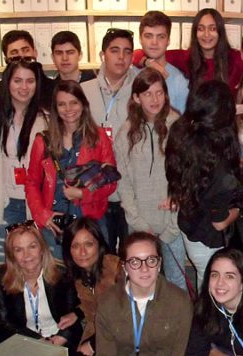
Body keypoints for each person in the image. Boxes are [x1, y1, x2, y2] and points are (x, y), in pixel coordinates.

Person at [25, 81, 117, 258]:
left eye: (74, 102)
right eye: (62, 104)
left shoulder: (98, 138)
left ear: (83, 104)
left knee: (95, 277)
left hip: (92, 220)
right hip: (56, 224)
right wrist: (42, 215)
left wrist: (83, 194)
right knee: (59, 279)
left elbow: (111, 183)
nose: (68, 109)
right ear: (55, 108)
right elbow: (32, 182)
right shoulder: (43, 141)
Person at [115, 67, 187, 291]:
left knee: (177, 283)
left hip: (172, 221)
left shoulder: (179, 127)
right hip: (139, 224)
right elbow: (123, 183)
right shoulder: (125, 134)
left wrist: (171, 227)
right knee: (141, 283)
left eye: (159, 92)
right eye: (147, 94)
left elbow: (186, 177)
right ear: (136, 98)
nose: (154, 99)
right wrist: (138, 223)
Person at [166, 80, 241, 288]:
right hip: (208, 235)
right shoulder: (218, 154)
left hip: (189, 225)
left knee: (204, 280)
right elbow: (220, 221)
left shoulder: (181, 132)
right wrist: (238, 211)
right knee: (212, 288)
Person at [0, 59, 48, 265]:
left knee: (34, 260)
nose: (24, 87)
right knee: (5, 263)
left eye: (30, 81)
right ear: (8, 83)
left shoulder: (45, 119)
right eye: (18, 81)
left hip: (34, 202)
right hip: (4, 200)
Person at [132, 9, 243, 92]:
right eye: (201, 29)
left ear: (220, 31)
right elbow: (138, 53)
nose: (206, 34)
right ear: (195, 33)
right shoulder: (185, 57)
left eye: (212, 28)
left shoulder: (236, 58)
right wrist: (148, 62)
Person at [81, 27, 137, 255]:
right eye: (115, 51)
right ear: (103, 54)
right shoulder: (84, 91)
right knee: (100, 257)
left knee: (130, 256)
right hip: (95, 190)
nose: (121, 57)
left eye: (127, 51)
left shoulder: (142, 89)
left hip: (130, 190)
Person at [95, 232, 192, 355]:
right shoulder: (108, 302)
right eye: (135, 262)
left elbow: (180, 351)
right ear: (124, 267)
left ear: (159, 263)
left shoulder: (180, 302)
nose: (144, 268)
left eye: (151, 260)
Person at [0, 221, 83, 350]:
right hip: (20, 339)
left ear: (42, 248)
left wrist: (63, 336)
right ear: (12, 255)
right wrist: (37, 341)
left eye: (32, 246)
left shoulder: (62, 274)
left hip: (57, 338)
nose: (26, 255)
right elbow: (3, 323)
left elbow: (74, 314)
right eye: (18, 250)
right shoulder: (0, 278)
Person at [61, 217, 121, 356]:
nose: (82, 252)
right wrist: (78, 312)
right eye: (75, 246)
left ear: (99, 245)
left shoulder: (117, 270)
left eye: (88, 244)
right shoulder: (80, 276)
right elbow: (94, 304)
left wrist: (93, 344)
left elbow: (130, 316)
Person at [0, 30, 55, 110]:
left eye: (25, 50)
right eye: (14, 53)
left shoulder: (53, 89)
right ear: (6, 59)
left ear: (35, 53)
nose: (21, 56)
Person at [137, 10, 189, 114]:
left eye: (161, 37)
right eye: (148, 36)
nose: (154, 42)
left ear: (168, 40)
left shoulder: (179, 81)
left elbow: (182, 124)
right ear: (140, 39)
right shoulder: (130, 74)